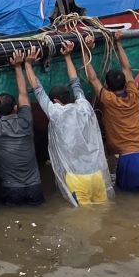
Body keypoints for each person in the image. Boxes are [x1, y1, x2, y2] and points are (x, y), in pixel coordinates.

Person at [23, 40, 113, 206]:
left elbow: (38, 90)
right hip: (97, 174)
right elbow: (75, 82)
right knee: (103, 212)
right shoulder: (84, 106)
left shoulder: (56, 113)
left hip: (77, 178)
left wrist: (28, 65)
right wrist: (68, 56)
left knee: (83, 222)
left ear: (56, 101)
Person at [82, 31, 139, 192]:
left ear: (107, 86)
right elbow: (127, 68)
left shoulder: (109, 99)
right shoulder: (133, 94)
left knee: (126, 205)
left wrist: (84, 51)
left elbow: (93, 79)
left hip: (129, 160)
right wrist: (118, 43)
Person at [0, 51, 45, 206]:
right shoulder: (25, 120)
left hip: (11, 189)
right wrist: (18, 67)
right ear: (16, 108)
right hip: (35, 187)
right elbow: (23, 93)